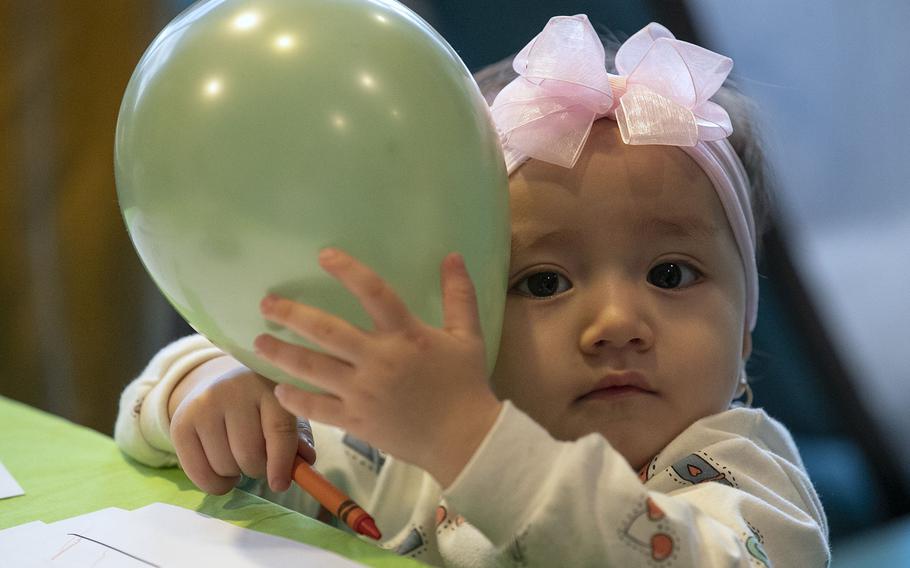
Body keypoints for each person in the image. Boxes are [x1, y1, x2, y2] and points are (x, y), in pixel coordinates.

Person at [115, 16, 829, 566]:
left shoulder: (745, 477)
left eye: (671, 274)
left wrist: (472, 443)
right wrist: (218, 386)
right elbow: (175, 442)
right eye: (544, 282)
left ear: (745, 326)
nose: (616, 323)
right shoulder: (407, 440)